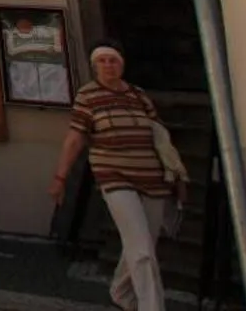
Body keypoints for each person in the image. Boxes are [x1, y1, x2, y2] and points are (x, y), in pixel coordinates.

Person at [49, 43, 185, 311]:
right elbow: (75, 139)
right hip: (114, 176)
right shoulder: (88, 96)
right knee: (142, 250)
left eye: (113, 60)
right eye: (103, 61)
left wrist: (178, 176)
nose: (108, 66)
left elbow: (161, 138)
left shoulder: (138, 95)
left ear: (122, 64)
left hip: (151, 177)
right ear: (95, 65)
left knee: (143, 243)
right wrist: (60, 177)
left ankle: (121, 292)